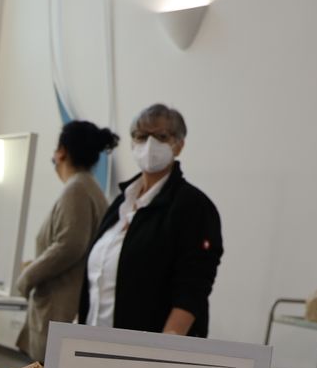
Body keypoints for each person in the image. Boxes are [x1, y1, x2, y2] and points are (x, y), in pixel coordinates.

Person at [79, 104, 223, 337]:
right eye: (141, 136)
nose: (149, 144)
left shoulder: (193, 206)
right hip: (94, 344)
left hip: (145, 354)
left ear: (179, 145)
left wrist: (162, 352)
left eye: (161, 136)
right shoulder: (120, 203)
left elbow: (192, 288)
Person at [14, 120, 119, 362]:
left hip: (61, 306)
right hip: (62, 304)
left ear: (61, 151)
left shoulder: (78, 189)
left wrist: (27, 276)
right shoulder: (85, 188)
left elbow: (70, 245)